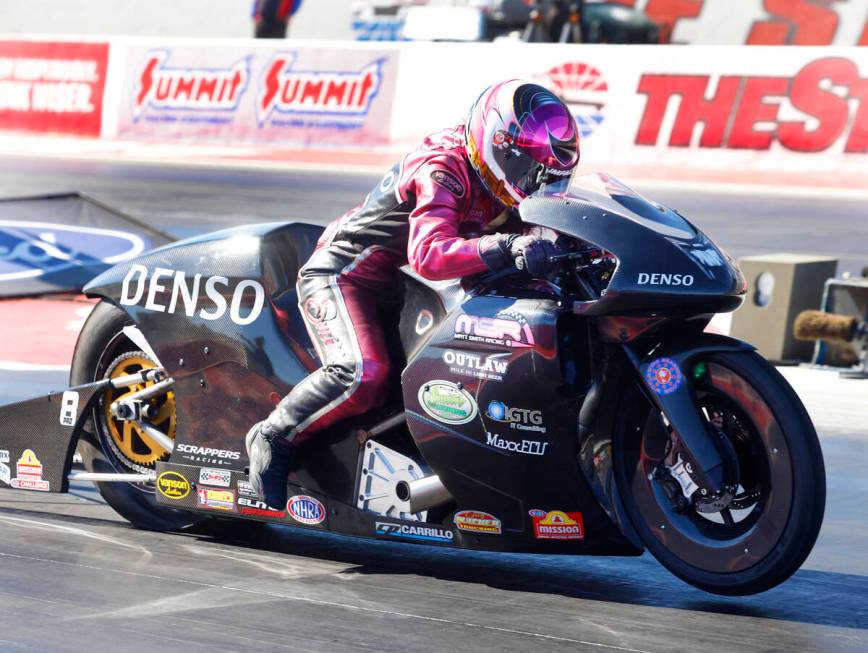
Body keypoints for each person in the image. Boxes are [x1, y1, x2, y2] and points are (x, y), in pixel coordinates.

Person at [246, 80, 581, 508]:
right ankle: (273, 434)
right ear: (498, 148)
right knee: (363, 373)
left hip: (403, 290)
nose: (533, 184)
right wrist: (506, 246)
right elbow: (428, 254)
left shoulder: (505, 186)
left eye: (545, 175)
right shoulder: (444, 167)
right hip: (344, 275)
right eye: (527, 170)